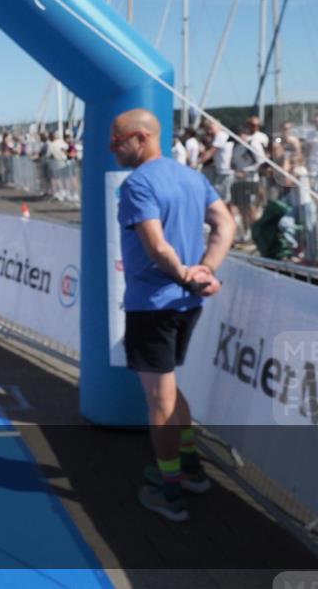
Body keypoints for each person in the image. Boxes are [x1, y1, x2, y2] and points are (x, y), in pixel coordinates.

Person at [110, 109, 234, 522]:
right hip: (184, 305)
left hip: (155, 305)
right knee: (168, 388)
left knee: (159, 399)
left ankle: (170, 491)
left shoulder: (138, 184)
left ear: (141, 138)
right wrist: (205, 270)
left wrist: (188, 274)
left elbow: (157, 247)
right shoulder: (191, 177)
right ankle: (191, 469)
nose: (114, 148)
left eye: (118, 140)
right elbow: (224, 225)